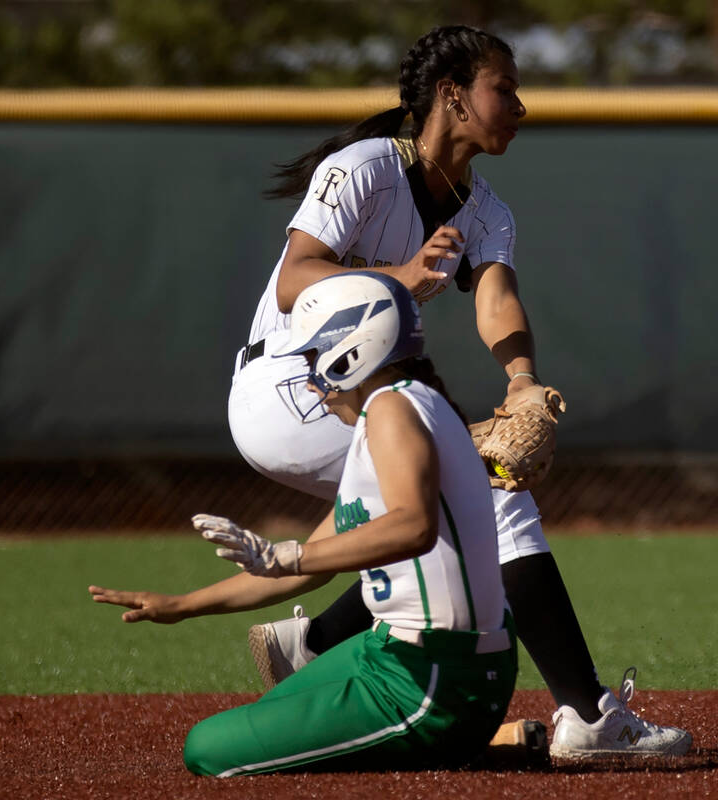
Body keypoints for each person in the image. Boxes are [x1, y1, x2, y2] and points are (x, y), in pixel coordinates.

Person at [227, 24, 690, 759]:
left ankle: (312, 644)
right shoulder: (365, 169)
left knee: (471, 513)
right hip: (286, 388)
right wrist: (399, 279)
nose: (520, 105)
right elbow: (295, 279)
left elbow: (496, 302)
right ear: (453, 94)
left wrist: (523, 382)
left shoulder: (486, 211)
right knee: (494, 500)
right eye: (502, 88)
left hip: (361, 396)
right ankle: (589, 717)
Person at [92, 271, 518, 776]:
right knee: (264, 712)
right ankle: (492, 741)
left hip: (435, 677)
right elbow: (304, 568)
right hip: (406, 655)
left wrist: (285, 555)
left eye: (316, 357)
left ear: (354, 351)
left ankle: (456, 740)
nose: (313, 380)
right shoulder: (400, 406)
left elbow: (413, 527)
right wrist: (182, 606)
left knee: (206, 750)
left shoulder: (390, 407)